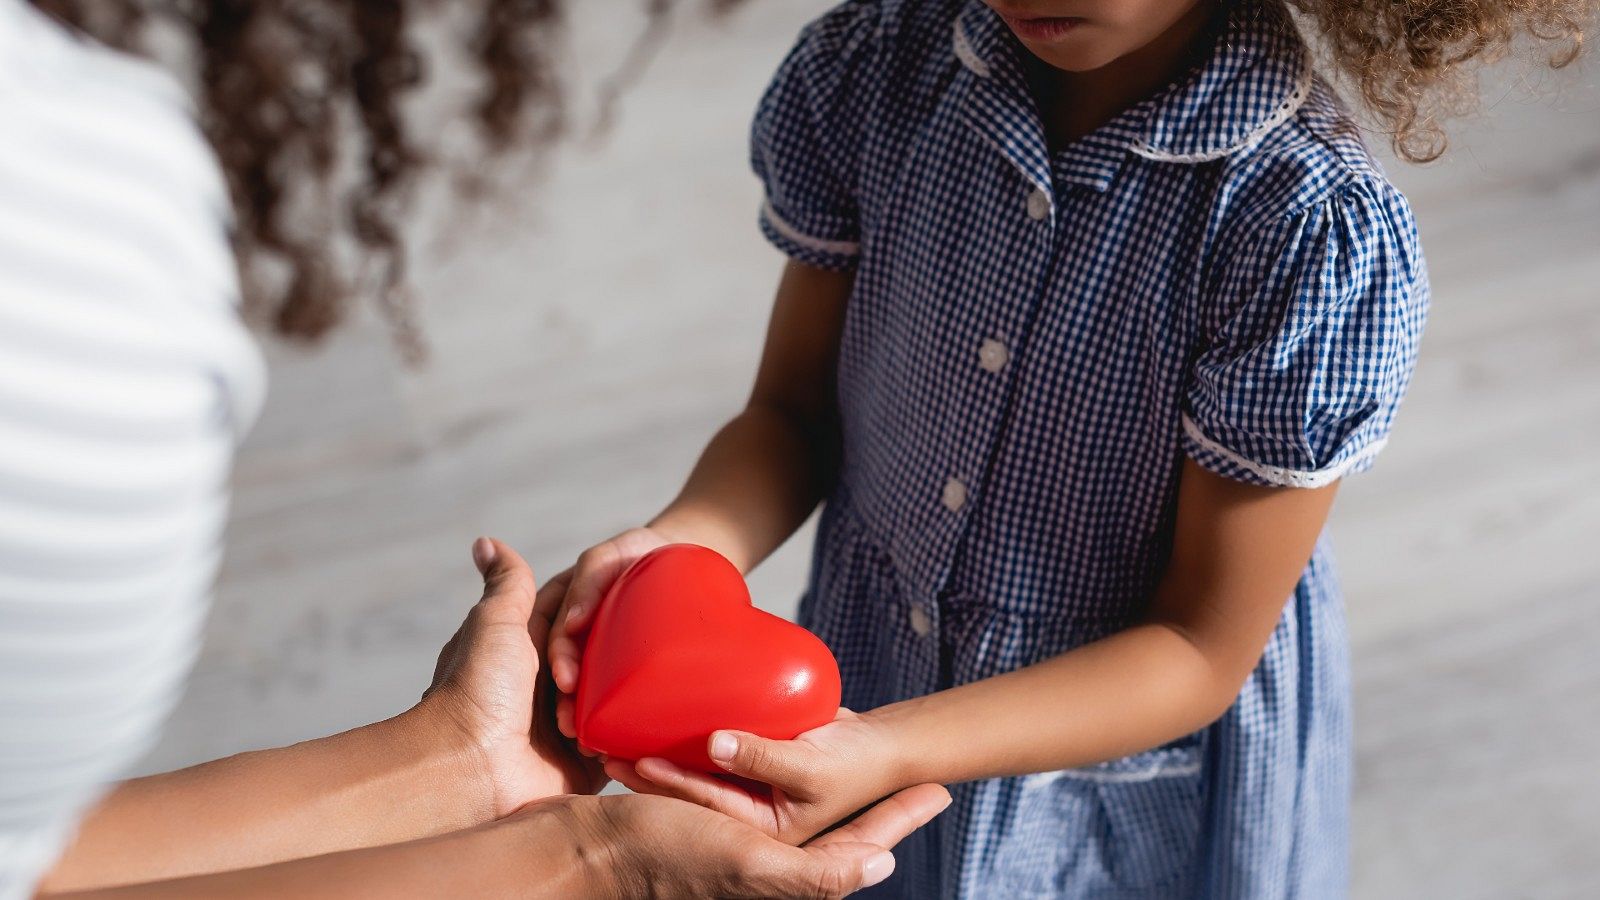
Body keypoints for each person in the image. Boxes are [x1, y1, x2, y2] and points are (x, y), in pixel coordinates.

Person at [543, 0, 1596, 896]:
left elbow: (1195, 648)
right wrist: (680, 547)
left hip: (1125, 755)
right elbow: (792, 418)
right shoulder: (876, 74)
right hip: (870, 668)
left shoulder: (1303, 227)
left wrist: (889, 750)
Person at [0, 0, 950, 896]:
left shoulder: (86, 197)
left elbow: (21, 852)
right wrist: (594, 864)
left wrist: (460, 756)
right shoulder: (84, 240)